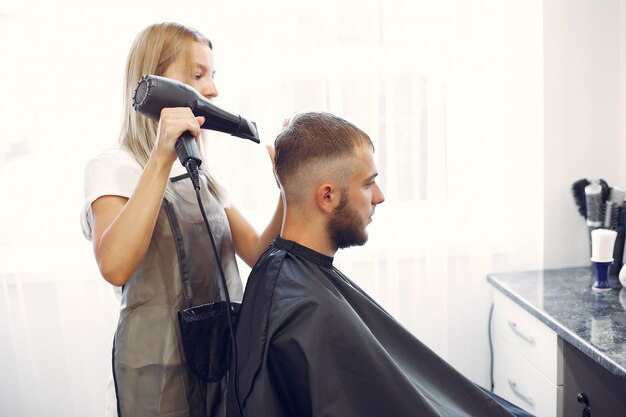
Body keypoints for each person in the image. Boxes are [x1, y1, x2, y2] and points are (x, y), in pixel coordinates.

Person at [227, 112, 533, 417]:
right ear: (328, 196)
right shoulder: (309, 310)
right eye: (368, 184)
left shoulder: (280, 275)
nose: (380, 196)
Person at [80, 22, 282, 417]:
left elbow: (259, 253)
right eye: (197, 76)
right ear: (156, 83)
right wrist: (160, 157)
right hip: (154, 381)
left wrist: (286, 193)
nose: (213, 91)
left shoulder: (202, 174)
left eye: (213, 76)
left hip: (216, 368)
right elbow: (115, 266)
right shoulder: (113, 168)